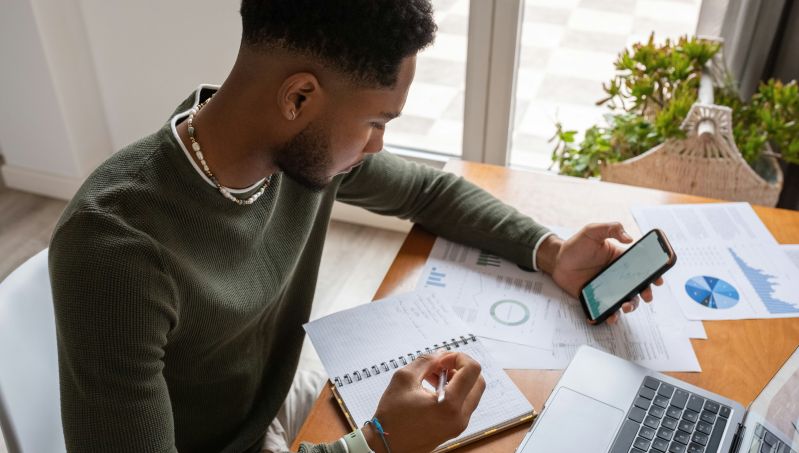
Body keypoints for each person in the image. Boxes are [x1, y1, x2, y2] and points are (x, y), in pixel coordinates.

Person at [48, 1, 660, 452]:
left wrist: (550, 251)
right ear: (299, 99)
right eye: (376, 121)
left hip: (275, 399)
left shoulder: (285, 149)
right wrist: (378, 443)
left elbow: (427, 188)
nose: (378, 145)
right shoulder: (116, 251)